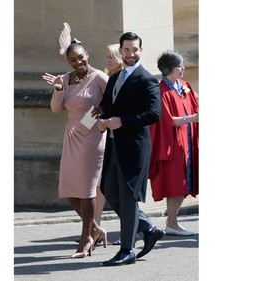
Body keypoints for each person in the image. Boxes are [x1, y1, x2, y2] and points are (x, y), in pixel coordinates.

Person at [94, 32, 165, 266]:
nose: (130, 54)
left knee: (127, 197)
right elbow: (104, 107)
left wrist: (122, 121)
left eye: (134, 50)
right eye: (126, 50)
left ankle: (127, 250)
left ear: (141, 51)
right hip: (114, 145)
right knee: (109, 190)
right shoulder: (115, 78)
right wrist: (85, 125)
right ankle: (148, 228)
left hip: (134, 148)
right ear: (121, 51)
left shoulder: (146, 79)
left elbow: (154, 114)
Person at [42, 23, 108, 258]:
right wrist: (58, 90)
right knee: (69, 188)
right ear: (68, 61)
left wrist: (96, 115)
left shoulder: (99, 77)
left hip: (92, 138)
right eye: (72, 60)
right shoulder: (64, 79)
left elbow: (112, 101)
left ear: (87, 55)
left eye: (80, 58)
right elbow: (55, 109)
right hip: (71, 137)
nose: (78, 63)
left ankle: (85, 238)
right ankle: (96, 229)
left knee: (87, 189)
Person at [148, 50, 199, 236]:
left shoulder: (184, 86)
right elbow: (166, 120)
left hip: (187, 142)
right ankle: (172, 223)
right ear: (169, 69)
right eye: (180, 66)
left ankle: (172, 222)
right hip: (171, 144)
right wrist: (193, 118)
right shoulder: (162, 91)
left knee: (185, 183)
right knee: (176, 183)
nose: (183, 68)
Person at [94, 44, 123, 246]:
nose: (107, 61)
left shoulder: (112, 78)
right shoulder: (109, 77)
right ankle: (94, 228)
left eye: (110, 57)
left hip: (117, 138)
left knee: (115, 187)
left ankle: (131, 228)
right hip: (102, 137)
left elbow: (105, 107)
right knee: (100, 187)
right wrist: (82, 126)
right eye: (106, 57)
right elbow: (100, 107)